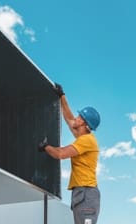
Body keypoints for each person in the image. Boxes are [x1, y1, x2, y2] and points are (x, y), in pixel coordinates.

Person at [38, 83, 101, 224]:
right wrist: (62, 95)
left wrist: (46, 147)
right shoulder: (82, 136)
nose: (76, 118)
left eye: (80, 117)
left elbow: (61, 154)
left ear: (86, 125)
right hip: (82, 193)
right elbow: (68, 118)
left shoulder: (86, 141)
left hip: (87, 194)